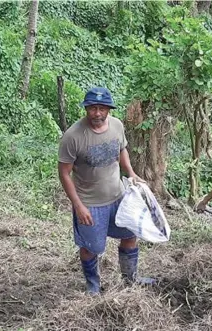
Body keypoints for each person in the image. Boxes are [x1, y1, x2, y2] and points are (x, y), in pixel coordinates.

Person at [58, 87, 154, 294]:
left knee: (129, 235)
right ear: (86, 108)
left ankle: (131, 279)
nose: (98, 113)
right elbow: (64, 173)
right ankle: (93, 285)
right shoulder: (73, 136)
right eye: (93, 108)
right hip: (90, 203)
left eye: (102, 108)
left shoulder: (117, 125)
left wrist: (131, 173)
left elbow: (122, 149)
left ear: (109, 109)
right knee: (91, 248)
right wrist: (78, 206)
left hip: (118, 197)